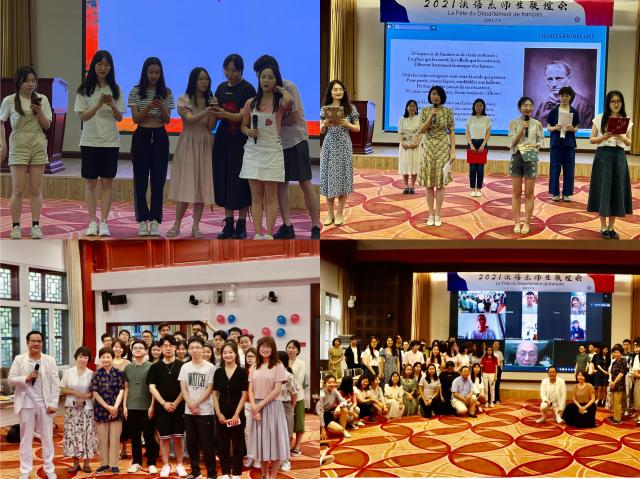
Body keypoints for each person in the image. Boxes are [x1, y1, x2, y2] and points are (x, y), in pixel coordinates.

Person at [251, 56, 321, 240]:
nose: (262, 79)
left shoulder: (289, 87)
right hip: (277, 144)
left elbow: (294, 117)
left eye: (266, 74)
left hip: (296, 140)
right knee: (280, 185)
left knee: (305, 183)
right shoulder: (262, 95)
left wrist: (272, 122)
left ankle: (315, 225)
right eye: (260, 75)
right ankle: (287, 225)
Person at [239, 64, 293, 239]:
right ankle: (257, 233)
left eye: (270, 77)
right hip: (253, 151)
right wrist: (248, 131)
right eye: (263, 77)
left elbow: (290, 102)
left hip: (272, 151)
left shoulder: (280, 103)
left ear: (276, 80)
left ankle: (269, 234)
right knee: (256, 196)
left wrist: (280, 89)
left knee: (271, 196)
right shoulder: (251, 103)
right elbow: (243, 126)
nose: (266, 80)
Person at [75, 50, 125, 237]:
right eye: (99, 64)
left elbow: (119, 118)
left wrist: (112, 106)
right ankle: (91, 221)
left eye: (107, 65)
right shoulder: (84, 89)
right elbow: (83, 117)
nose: (103, 68)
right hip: (89, 141)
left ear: (111, 67)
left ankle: (104, 222)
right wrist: (97, 105)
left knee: (107, 182)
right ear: (93, 66)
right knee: (90, 183)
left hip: (110, 142)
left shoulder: (116, 89)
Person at [0, 66, 52, 239]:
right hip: (18, 145)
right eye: (27, 81)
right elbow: (1, 122)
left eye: (33, 81)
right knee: (18, 190)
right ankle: (16, 226)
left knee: (35, 189)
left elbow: (47, 125)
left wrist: (39, 111)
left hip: (38, 144)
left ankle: (35, 225)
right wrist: (3, 145)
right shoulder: (9, 100)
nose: (31, 84)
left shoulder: (42, 99)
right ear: (19, 82)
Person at [167, 67, 216, 239]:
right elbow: (189, 119)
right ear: (193, 81)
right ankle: (176, 225)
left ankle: (196, 226)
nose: (204, 82)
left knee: (201, 185)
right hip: (188, 142)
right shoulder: (184, 99)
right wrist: (207, 111)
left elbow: (210, 126)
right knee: (186, 184)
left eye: (206, 79)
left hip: (205, 143)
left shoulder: (210, 100)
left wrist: (213, 111)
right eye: (201, 79)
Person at [127, 57, 174, 236]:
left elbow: (167, 120)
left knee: (158, 180)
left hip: (160, 135)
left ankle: (155, 219)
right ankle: (142, 219)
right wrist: (148, 107)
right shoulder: (136, 91)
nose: (154, 75)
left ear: (161, 74)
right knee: (140, 180)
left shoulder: (166, 92)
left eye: (157, 72)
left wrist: (161, 106)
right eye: (151, 72)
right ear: (145, 73)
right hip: (142, 136)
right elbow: (136, 119)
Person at [212, 54, 256, 239]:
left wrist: (223, 113)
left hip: (241, 142)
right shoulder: (221, 88)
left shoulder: (248, 89)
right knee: (224, 179)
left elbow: (243, 117)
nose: (230, 74)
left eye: (234, 70)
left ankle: (242, 225)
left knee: (240, 182)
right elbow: (215, 114)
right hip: (222, 140)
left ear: (241, 71)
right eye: (227, 70)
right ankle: (228, 223)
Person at [8, 331, 60, 479]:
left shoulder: (49, 360)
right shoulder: (19, 359)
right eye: (33, 341)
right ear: (27, 343)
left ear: (42, 343)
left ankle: (49, 468)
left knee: (47, 438)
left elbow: (55, 384)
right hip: (26, 404)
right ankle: (25, 471)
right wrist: (27, 377)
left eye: (39, 341)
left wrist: (53, 403)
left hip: (45, 404)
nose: (36, 343)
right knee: (26, 438)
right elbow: (11, 379)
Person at [587, 90, 633, 239]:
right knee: (603, 189)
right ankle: (603, 226)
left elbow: (629, 143)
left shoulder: (625, 120)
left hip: (619, 156)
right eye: (613, 101)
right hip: (603, 156)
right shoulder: (600, 118)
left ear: (622, 103)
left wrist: (621, 137)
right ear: (608, 103)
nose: (616, 104)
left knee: (616, 190)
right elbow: (591, 139)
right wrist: (603, 137)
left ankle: (611, 227)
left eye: (618, 101)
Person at [247, 336, 290, 479]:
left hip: (272, 407)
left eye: (268, 346)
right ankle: (264, 474)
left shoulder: (278, 365)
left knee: (275, 444)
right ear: (258, 348)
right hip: (257, 408)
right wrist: (254, 407)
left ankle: (273, 476)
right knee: (261, 443)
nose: (265, 349)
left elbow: (277, 390)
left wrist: (259, 405)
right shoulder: (254, 366)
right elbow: (250, 389)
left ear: (273, 349)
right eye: (262, 346)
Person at [320, 79, 360, 227]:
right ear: (330, 92)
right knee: (329, 179)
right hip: (329, 146)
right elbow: (321, 131)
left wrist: (347, 124)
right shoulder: (325, 109)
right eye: (335, 89)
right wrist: (324, 124)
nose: (338, 92)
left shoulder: (350, 108)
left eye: (341, 89)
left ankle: (339, 213)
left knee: (343, 179)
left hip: (344, 146)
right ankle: (330, 213)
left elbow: (357, 128)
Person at [147, 335, 187, 478]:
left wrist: (176, 403)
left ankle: (180, 464)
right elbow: (152, 387)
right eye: (165, 346)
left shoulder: (183, 366)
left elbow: (185, 387)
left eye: (171, 346)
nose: (168, 348)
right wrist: (163, 403)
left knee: (178, 437)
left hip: (179, 406)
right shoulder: (155, 367)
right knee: (163, 437)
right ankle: (166, 464)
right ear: (161, 348)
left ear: (175, 347)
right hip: (161, 407)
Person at [417, 85, 455, 227]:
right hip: (428, 149)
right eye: (433, 94)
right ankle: (430, 214)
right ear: (430, 96)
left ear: (442, 96)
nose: (436, 96)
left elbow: (451, 131)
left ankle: (438, 213)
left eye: (438, 94)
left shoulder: (448, 111)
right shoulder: (425, 110)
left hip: (443, 148)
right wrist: (430, 117)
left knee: (440, 182)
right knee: (429, 183)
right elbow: (421, 130)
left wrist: (453, 150)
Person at [178, 336, 216, 479]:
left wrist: (196, 403)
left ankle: (211, 473)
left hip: (206, 411)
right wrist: (190, 403)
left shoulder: (210, 367)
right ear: (188, 350)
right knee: (191, 443)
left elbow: (210, 388)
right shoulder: (185, 367)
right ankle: (195, 471)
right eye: (191, 348)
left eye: (197, 348)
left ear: (202, 349)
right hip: (189, 411)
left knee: (207, 444)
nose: (194, 350)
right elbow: (183, 388)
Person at [508, 96, 544, 235]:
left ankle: (527, 223)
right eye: (525, 105)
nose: (528, 108)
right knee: (516, 192)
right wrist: (521, 129)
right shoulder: (514, 123)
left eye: (530, 105)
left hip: (531, 156)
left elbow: (541, 141)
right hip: (517, 156)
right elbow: (512, 143)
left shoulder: (537, 124)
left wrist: (536, 145)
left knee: (529, 193)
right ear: (519, 108)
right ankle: (517, 222)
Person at [123, 339, 159, 474]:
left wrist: (152, 406)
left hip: (147, 407)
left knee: (149, 437)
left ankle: (151, 463)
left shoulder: (152, 367)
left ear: (146, 351)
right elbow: (126, 388)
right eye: (135, 347)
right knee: (135, 437)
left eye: (140, 347)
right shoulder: (128, 367)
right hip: (131, 406)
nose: (138, 349)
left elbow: (154, 388)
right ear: (131, 351)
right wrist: (125, 406)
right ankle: (136, 462)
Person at [61, 346, 96, 473]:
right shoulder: (68, 372)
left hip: (87, 408)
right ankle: (75, 463)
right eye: (81, 357)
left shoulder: (91, 373)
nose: (83, 359)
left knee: (86, 434)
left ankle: (86, 463)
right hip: (71, 408)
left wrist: (84, 397)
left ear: (88, 359)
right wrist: (74, 392)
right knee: (73, 434)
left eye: (86, 357)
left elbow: (94, 391)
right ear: (76, 357)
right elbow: (62, 388)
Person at [91, 347, 125, 473]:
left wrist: (115, 407)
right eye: (103, 357)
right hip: (101, 409)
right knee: (102, 439)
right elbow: (95, 393)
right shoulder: (96, 374)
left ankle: (114, 464)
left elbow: (122, 390)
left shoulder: (119, 373)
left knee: (115, 438)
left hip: (116, 409)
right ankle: (104, 463)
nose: (106, 359)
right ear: (100, 358)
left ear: (112, 358)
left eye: (108, 357)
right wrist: (108, 407)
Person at [533, 61, 594, 128]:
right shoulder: (543, 105)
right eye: (550, 79)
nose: (553, 84)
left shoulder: (584, 106)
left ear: (568, 79)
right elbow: (534, 129)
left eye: (558, 78)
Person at [546, 86, 580, 202]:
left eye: (567, 96)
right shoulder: (553, 111)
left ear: (570, 97)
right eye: (562, 95)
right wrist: (555, 127)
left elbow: (576, 128)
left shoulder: (574, 111)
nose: (564, 98)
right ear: (559, 97)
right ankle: (555, 193)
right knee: (555, 168)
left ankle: (567, 193)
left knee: (569, 168)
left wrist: (573, 129)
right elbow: (548, 128)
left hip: (569, 143)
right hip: (556, 143)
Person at [465, 98, 491, 198]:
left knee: (480, 168)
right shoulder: (470, 118)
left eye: (480, 106)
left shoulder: (487, 119)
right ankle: (472, 188)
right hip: (471, 143)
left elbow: (488, 134)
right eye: (477, 106)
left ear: (483, 107)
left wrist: (483, 145)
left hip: (482, 143)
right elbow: (467, 133)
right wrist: (471, 144)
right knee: (472, 168)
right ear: (474, 107)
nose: (478, 107)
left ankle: (479, 189)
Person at [286, 339, 307, 456]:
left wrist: (292, 392)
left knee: (298, 423)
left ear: (298, 350)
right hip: (284, 398)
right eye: (289, 347)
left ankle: (297, 446)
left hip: (297, 397)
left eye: (293, 348)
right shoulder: (282, 361)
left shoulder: (301, 363)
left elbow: (299, 381)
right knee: (287, 423)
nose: (290, 349)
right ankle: (288, 445)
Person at [398, 99, 421, 194]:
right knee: (405, 165)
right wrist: (402, 143)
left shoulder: (420, 118)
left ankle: (412, 186)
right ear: (407, 107)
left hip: (415, 146)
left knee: (414, 165)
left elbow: (421, 133)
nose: (412, 108)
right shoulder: (402, 119)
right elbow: (400, 133)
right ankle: (406, 186)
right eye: (410, 106)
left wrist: (417, 143)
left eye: (414, 106)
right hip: (405, 146)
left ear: (416, 108)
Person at [317, 374, 351, 439]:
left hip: (330, 412)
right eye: (329, 382)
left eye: (333, 382)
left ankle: (343, 430)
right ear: (325, 384)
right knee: (339, 429)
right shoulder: (322, 394)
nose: (332, 384)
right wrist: (323, 429)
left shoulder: (334, 390)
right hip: (322, 415)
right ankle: (324, 428)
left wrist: (339, 406)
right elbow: (320, 412)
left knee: (344, 409)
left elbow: (343, 401)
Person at [609, 344, 628, 424]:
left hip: (619, 384)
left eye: (617, 352)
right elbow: (610, 372)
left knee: (617, 402)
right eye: (614, 352)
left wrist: (614, 382)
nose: (616, 354)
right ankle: (614, 417)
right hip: (613, 384)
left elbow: (621, 374)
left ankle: (618, 419)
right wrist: (611, 381)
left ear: (621, 353)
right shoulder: (614, 362)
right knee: (614, 401)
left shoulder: (623, 361)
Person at [631, 339, 640, 425]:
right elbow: (636, 374)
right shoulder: (637, 357)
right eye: (635, 346)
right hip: (639, 381)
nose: (635, 348)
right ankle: (639, 416)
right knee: (638, 399)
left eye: (637, 346)